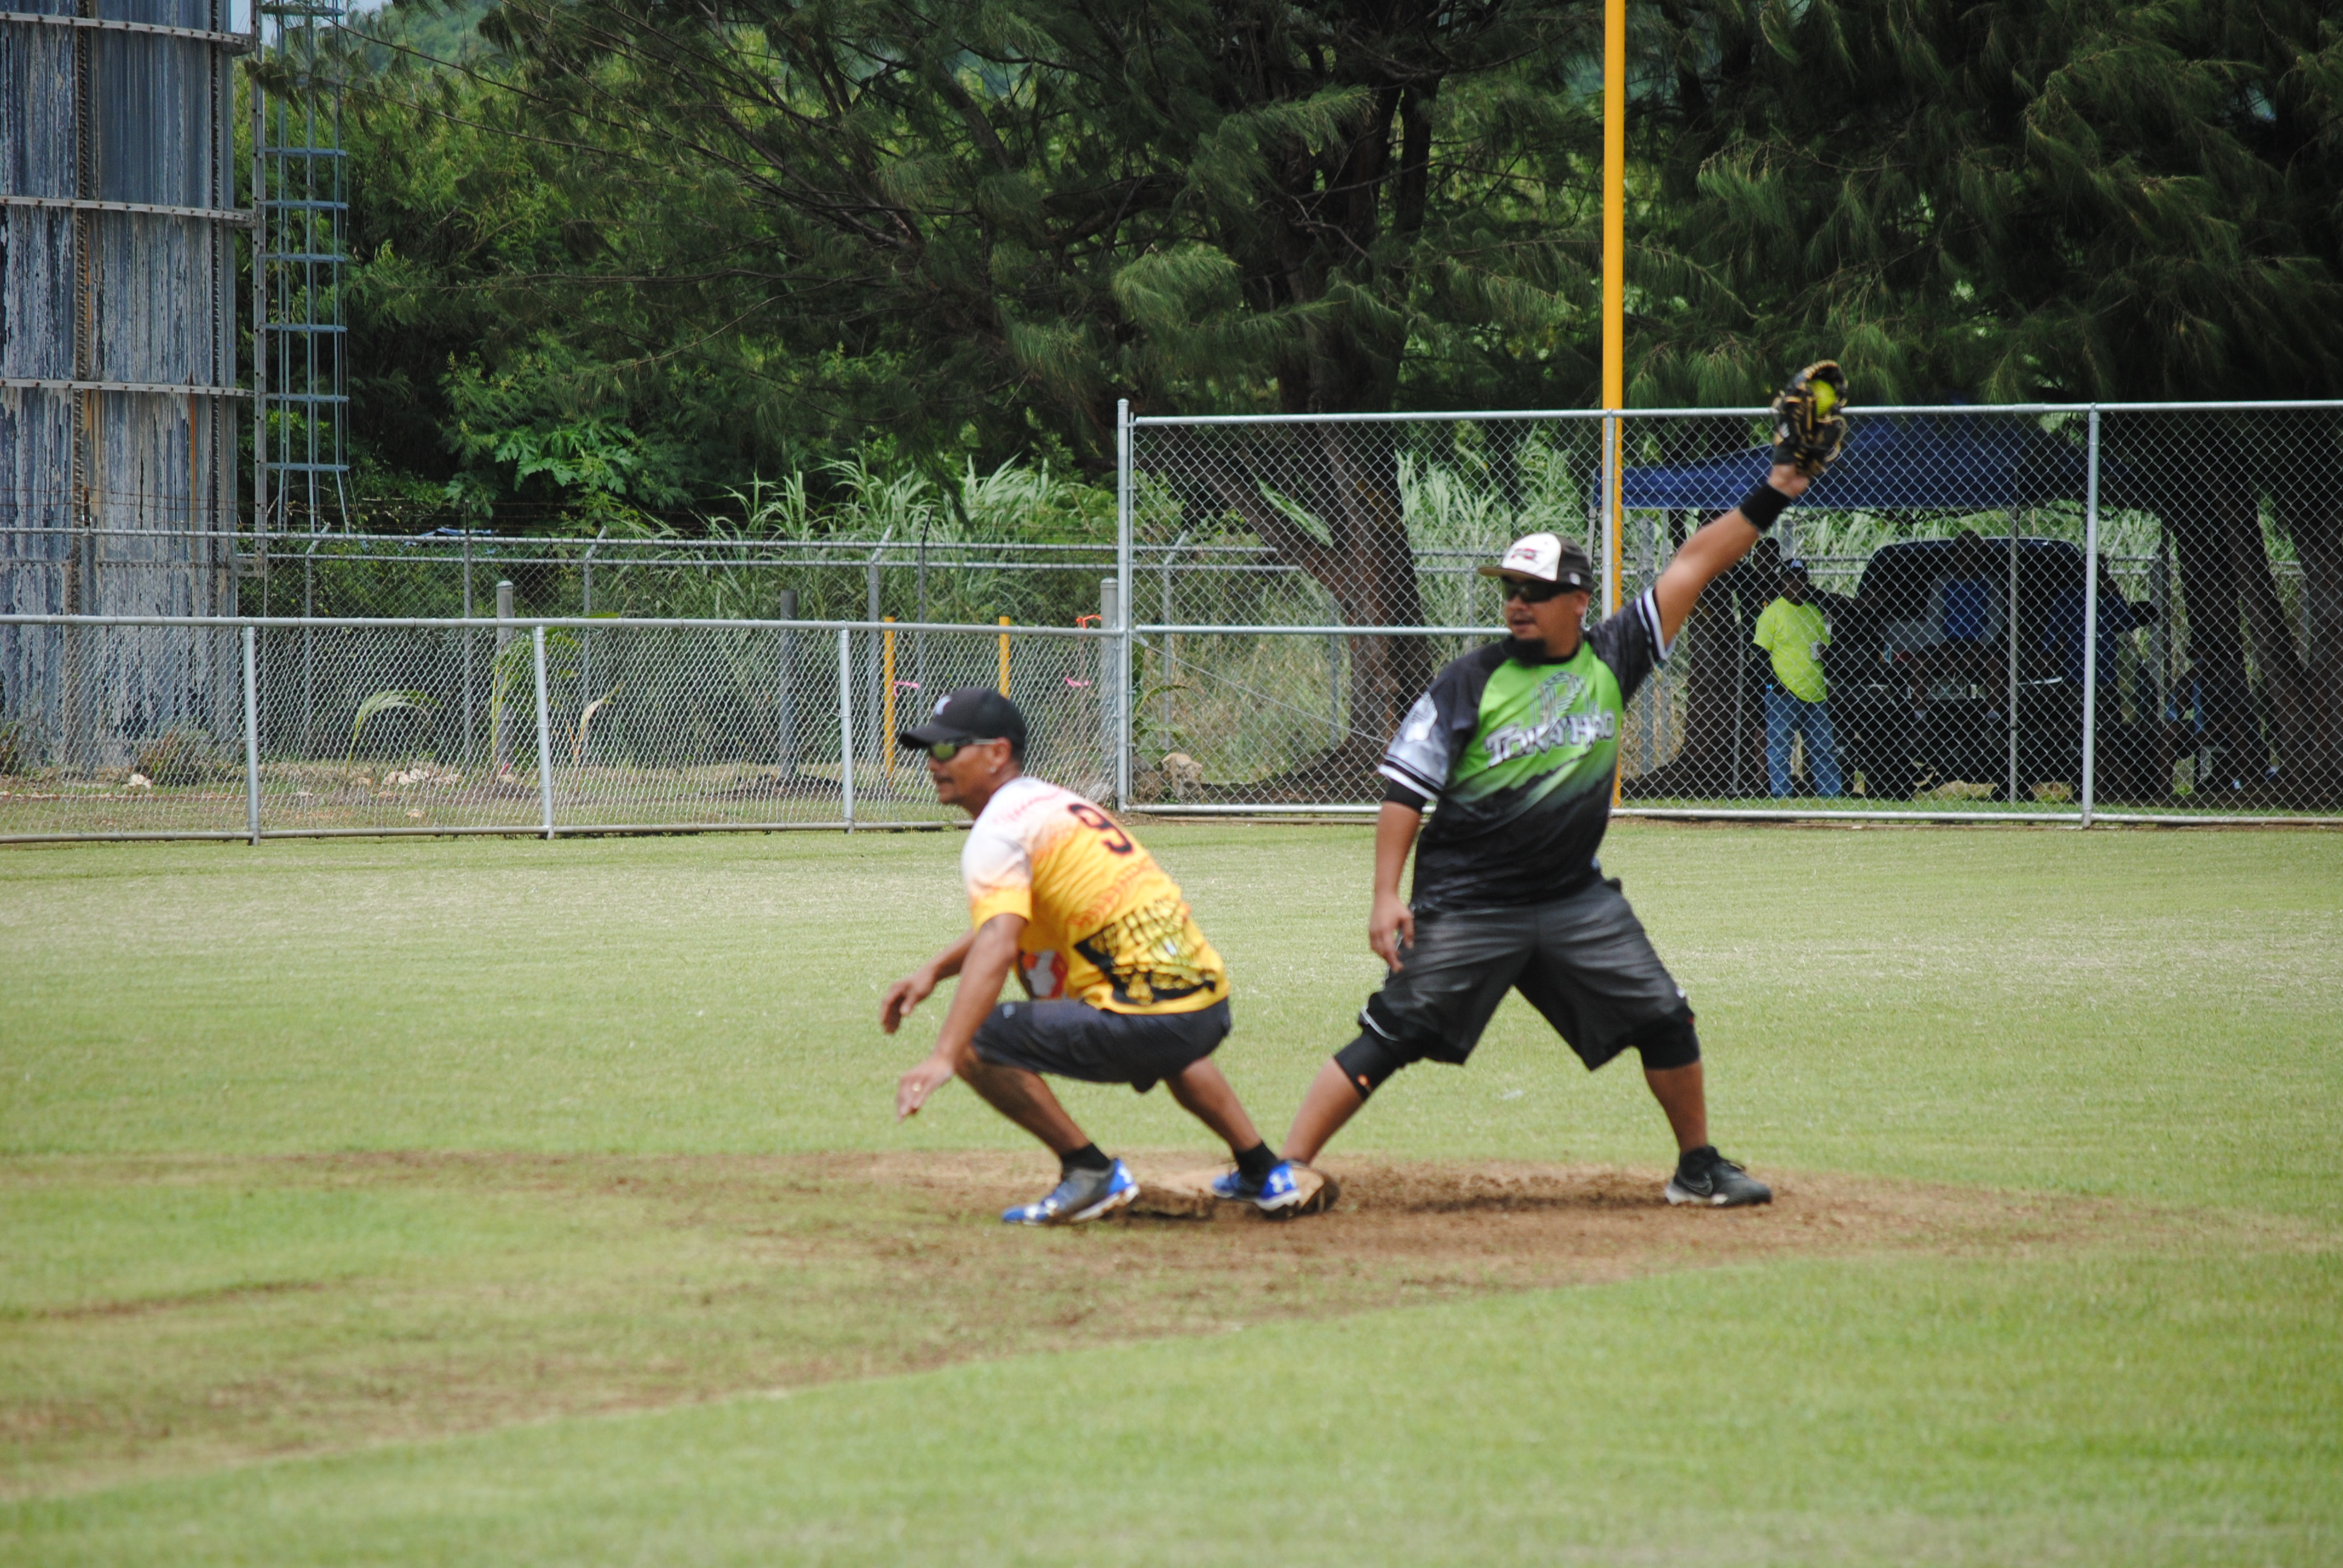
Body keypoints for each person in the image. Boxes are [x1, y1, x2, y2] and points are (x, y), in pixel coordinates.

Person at [1278, 460, 1823, 1208]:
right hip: (1468, 903)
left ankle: (1696, 1167)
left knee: (1665, 1017)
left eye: (1534, 591)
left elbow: (1695, 562)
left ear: (1577, 600)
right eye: (1508, 590)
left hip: (1573, 901)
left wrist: (1778, 491)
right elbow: (1405, 789)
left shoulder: (1614, 655)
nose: (1516, 604)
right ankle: (1284, 1166)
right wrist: (1383, 896)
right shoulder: (1468, 681)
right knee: (1394, 1029)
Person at [882, 687, 1326, 1223]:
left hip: (1147, 1017)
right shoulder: (1051, 805)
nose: (933, 762)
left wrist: (943, 1055)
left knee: (978, 1040)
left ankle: (1088, 1171)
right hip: (1206, 1004)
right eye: (929, 750)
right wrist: (934, 969)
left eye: (948, 749)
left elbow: (1001, 942)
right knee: (1163, 1024)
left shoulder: (999, 830)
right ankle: (1263, 1171)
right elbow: (1016, 921)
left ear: (997, 753)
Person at [1752, 559, 1843, 797]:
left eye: (1801, 578)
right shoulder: (1772, 613)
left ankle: (1831, 796)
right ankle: (1782, 796)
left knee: (1823, 748)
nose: (1796, 583)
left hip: (1815, 692)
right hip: (1785, 693)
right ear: (1782, 582)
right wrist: (1776, 685)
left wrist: (1826, 653)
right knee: (1781, 748)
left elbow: (1827, 648)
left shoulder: (1813, 612)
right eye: (1791, 578)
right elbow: (1760, 655)